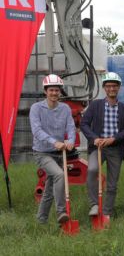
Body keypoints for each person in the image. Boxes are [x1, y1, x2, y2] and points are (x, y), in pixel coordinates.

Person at [81, 72, 124, 218]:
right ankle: (94, 204)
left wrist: (114, 139)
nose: (112, 88)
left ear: (118, 88)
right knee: (92, 170)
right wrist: (94, 138)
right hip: (98, 147)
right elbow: (84, 124)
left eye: (114, 86)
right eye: (109, 86)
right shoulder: (95, 105)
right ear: (104, 87)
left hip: (116, 148)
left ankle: (107, 212)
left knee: (112, 183)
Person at [29, 74, 75, 224]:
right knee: (60, 175)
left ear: (60, 91)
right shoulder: (36, 108)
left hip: (59, 153)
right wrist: (54, 141)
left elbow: (71, 127)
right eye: (51, 90)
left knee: (49, 189)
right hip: (42, 153)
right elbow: (36, 130)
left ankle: (41, 220)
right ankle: (61, 212)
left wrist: (70, 141)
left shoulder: (65, 108)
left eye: (57, 90)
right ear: (45, 91)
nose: (54, 93)